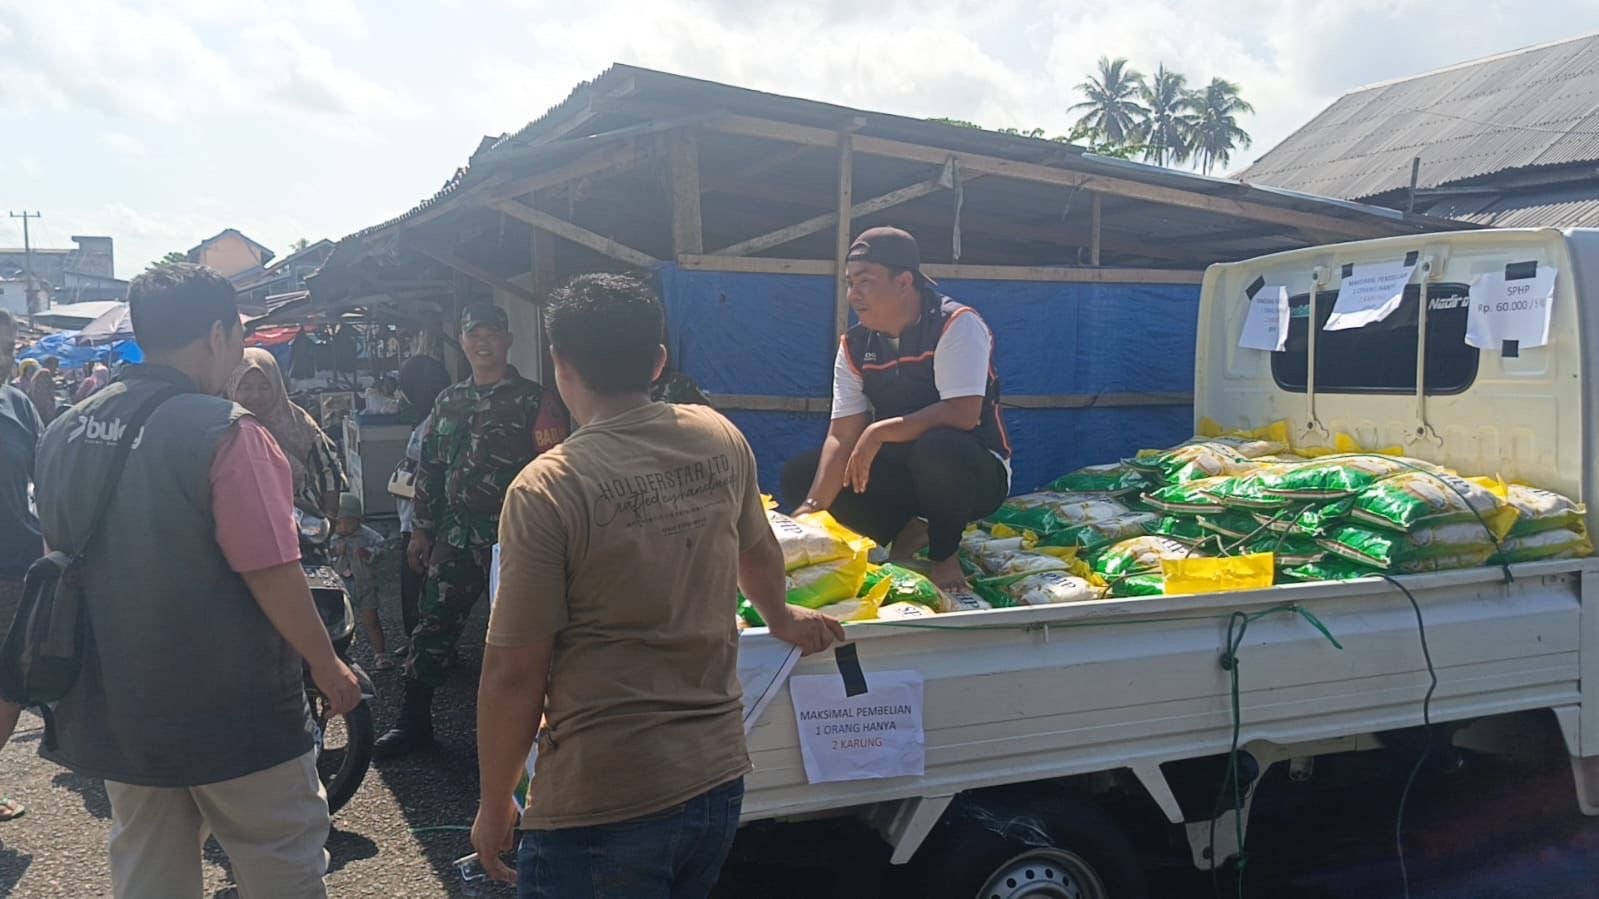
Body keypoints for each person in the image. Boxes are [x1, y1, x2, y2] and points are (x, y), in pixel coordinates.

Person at [470, 273, 844, 896]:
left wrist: (495, 801)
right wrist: (780, 618)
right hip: (716, 778)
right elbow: (758, 550)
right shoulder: (718, 437)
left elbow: (514, 672)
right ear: (658, 361)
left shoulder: (548, 487)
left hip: (605, 799)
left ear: (561, 365)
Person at [6, 263, 361, 899]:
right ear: (217, 334)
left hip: (119, 705)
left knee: (150, 866)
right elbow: (272, 571)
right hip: (235, 707)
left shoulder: (64, 430)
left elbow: (58, 554)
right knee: (279, 858)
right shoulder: (228, 431)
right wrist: (327, 665)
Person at [374, 303, 568, 758]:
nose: (483, 343)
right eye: (474, 335)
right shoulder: (449, 401)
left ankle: (544, 736)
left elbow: (557, 468)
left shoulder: (535, 400)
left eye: (492, 334)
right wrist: (421, 531)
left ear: (508, 340)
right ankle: (413, 723)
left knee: (530, 633)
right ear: (462, 342)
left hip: (515, 539)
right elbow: (430, 468)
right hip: (455, 537)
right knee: (433, 626)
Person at [782, 227, 1012, 590]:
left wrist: (879, 431)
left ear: (904, 282)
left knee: (938, 448)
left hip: (971, 474)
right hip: (904, 474)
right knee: (801, 474)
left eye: (865, 281)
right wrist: (812, 508)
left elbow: (962, 413)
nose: (853, 294)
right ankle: (907, 529)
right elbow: (842, 435)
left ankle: (944, 554)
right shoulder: (855, 345)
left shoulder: (956, 323)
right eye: (849, 283)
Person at [0, 309, 41, 823]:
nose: (3, 358)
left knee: (12, 685)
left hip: (15, 564)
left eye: (8, 348)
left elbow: (46, 470)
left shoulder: (18, 403)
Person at [226, 348, 348, 519]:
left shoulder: (298, 422)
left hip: (300, 520)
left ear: (277, 385)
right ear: (232, 386)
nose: (255, 396)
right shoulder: (223, 426)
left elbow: (329, 470)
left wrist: (330, 517)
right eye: (246, 387)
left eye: (264, 387)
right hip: (244, 522)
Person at [392, 355, 452, 644]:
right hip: (416, 515)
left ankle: (423, 645)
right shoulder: (432, 416)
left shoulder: (433, 421)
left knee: (419, 583)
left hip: (421, 518)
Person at [330, 492, 395, 671]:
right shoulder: (330, 537)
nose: (344, 527)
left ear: (359, 521)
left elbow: (383, 547)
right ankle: (339, 658)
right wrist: (334, 552)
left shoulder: (368, 535)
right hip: (339, 585)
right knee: (339, 624)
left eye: (349, 522)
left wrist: (370, 553)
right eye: (339, 523)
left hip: (365, 584)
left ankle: (380, 654)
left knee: (371, 621)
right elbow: (322, 556)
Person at [29, 355, 60, 426]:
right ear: (51, 364)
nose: (56, 368)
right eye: (55, 365)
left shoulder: (39, 373)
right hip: (43, 412)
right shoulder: (44, 373)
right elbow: (42, 395)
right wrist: (49, 413)